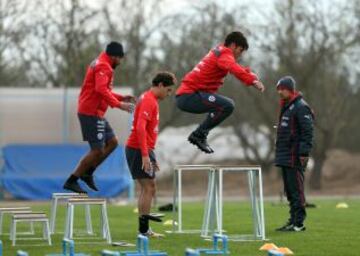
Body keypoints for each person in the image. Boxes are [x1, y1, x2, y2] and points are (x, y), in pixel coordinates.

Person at [175, 31, 265, 153]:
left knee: (220, 106)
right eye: (240, 50)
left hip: (188, 95)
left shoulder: (220, 52)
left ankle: (200, 134)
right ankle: (199, 134)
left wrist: (250, 75)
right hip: (189, 96)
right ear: (233, 45)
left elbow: (235, 66)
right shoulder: (224, 54)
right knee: (227, 105)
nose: (239, 55)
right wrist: (251, 80)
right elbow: (233, 68)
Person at [63, 41, 135, 194]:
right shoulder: (103, 66)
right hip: (90, 112)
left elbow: (104, 91)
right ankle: (72, 180)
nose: (120, 62)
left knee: (112, 142)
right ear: (114, 56)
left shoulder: (102, 63)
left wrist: (121, 98)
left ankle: (88, 172)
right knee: (97, 150)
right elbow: (101, 89)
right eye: (120, 58)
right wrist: (119, 105)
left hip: (97, 113)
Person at [125, 71, 177, 237]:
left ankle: (143, 229)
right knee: (149, 187)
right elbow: (140, 127)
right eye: (168, 90)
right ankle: (144, 230)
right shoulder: (148, 100)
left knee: (148, 187)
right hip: (139, 149)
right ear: (160, 85)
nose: (169, 94)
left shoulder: (149, 99)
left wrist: (150, 154)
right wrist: (146, 155)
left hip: (142, 148)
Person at [275, 76, 314, 232]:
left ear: (289, 89)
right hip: (285, 155)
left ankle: (299, 223)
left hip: (295, 156)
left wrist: (304, 153)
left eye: (282, 89)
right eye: (278, 89)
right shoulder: (287, 106)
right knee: (290, 191)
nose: (279, 92)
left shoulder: (300, 106)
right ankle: (292, 221)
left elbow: (308, 131)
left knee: (297, 190)